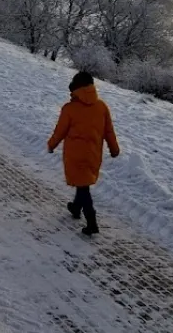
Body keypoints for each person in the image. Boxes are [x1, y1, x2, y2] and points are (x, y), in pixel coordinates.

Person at [47, 70, 120, 236]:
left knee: (83, 187)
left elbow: (60, 132)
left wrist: (51, 145)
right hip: (93, 154)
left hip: (75, 155)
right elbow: (109, 131)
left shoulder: (69, 109)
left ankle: (92, 223)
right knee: (83, 183)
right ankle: (75, 207)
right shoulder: (102, 107)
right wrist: (114, 149)